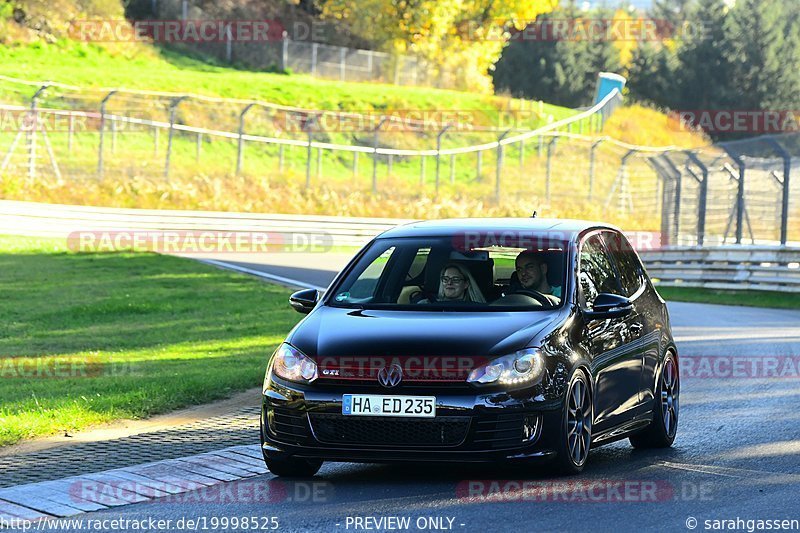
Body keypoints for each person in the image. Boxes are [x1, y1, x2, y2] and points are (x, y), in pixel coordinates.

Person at [419, 263, 486, 303]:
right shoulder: (426, 305)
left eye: (455, 279)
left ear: (466, 284)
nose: (449, 283)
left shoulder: (479, 309)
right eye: (445, 279)